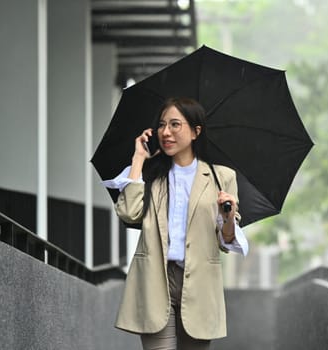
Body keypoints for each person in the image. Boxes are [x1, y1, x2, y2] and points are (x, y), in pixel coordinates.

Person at [102, 97, 248, 350]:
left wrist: (228, 216)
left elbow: (225, 241)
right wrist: (138, 159)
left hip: (200, 283)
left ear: (195, 131)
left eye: (175, 125)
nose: (165, 132)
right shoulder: (150, 174)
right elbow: (128, 213)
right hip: (155, 278)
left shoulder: (221, 177)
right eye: (161, 125)